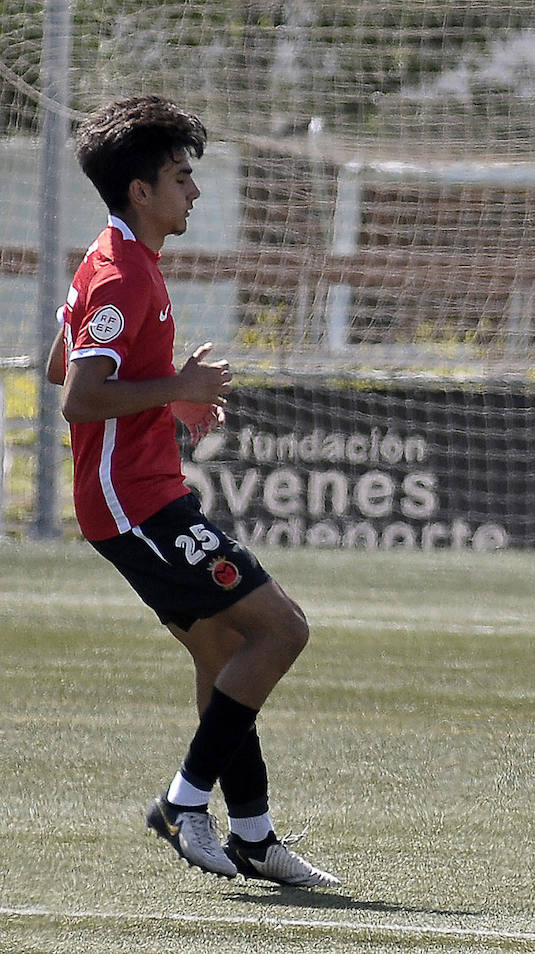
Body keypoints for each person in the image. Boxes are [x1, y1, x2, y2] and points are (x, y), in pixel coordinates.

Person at [45, 96, 338, 888]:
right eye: (182, 177)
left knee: (222, 654)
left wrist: (166, 397)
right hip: (134, 503)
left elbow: (58, 366)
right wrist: (176, 382)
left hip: (142, 497)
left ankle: (253, 834)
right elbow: (77, 397)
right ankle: (182, 804)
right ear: (141, 190)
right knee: (280, 631)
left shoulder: (116, 260)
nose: (194, 194)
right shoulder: (120, 276)